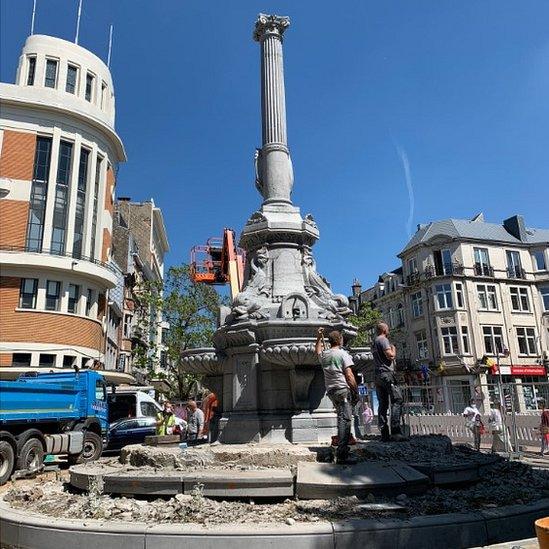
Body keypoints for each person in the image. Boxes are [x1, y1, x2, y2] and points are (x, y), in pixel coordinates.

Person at [316, 328, 358, 465]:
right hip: (342, 389)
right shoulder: (342, 354)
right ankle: (342, 454)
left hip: (332, 391)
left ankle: (342, 449)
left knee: (341, 417)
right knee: (345, 420)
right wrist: (355, 391)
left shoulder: (325, 355)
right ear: (340, 340)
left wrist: (318, 337)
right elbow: (349, 375)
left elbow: (317, 350)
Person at [372, 322, 404, 442]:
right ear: (385, 330)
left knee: (383, 403)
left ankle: (384, 434)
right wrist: (394, 350)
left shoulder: (374, 342)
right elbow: (390, 356)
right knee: (397, 399)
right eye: (388, 329)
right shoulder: (383, 340)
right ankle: (396, 431)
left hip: (377, 375)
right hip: (387, 374)